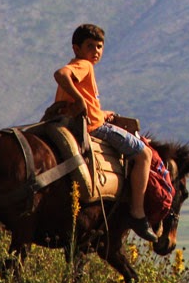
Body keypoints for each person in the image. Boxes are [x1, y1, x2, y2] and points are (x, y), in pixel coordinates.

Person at [53, 23, 159, 242]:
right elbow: (60, 73)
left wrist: (102, 112)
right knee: (144, 155)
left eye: (99, 47)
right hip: (94, 127)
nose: (96, 51)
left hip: (87, 120)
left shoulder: (82, 67)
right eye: (90, 46)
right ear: (77, 48)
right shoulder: (83, 66)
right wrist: (82, 101)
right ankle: (138, 213)